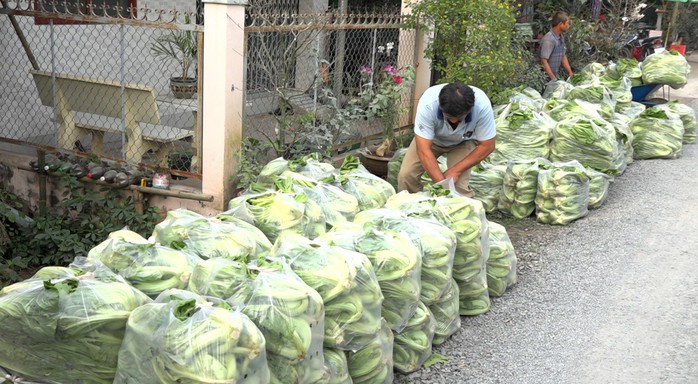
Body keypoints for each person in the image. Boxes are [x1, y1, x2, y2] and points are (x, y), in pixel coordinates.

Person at [397, 82, 496, 197]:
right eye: (449, 117)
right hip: (432, 140)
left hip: (463, 141)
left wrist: (456, 171)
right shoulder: (428, 103)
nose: (454, 122)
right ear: (440, 106)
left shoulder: (481, 105)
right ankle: (412, 208)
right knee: (407, 175)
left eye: (459, 118)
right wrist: (442, 184)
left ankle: (460, 211)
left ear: (470, 109)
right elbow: (424, 150)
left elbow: (487, 146)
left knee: (459, 187)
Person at [540, 11, 574, 81]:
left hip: (553, 77)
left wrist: (570, 73)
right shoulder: (549, 39)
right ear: (561, 24)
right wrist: (553, 79)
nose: (568, 26)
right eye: (567, 23)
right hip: (544, 79)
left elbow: (563, 56)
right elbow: (543, 61)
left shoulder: (560, 37)